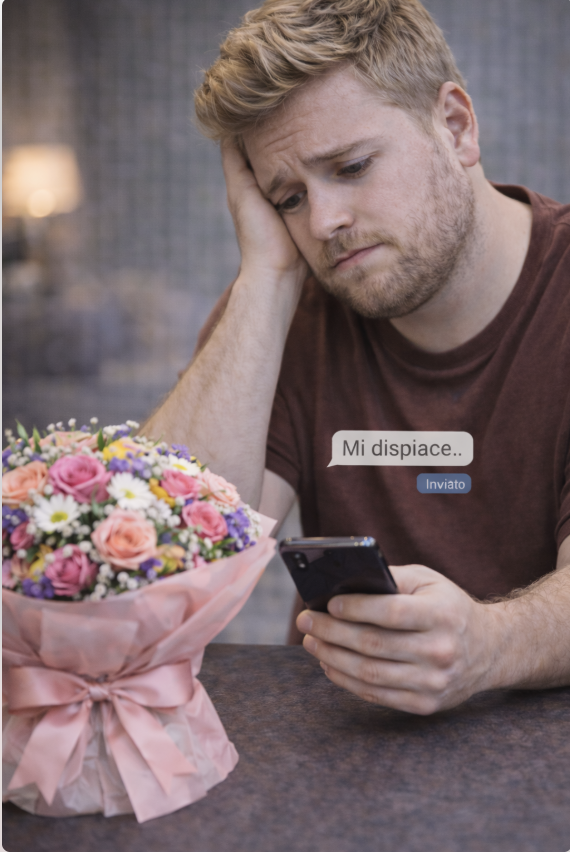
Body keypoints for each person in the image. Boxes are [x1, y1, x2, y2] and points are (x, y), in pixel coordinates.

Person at [144, 0, 570, 714]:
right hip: (338, 742)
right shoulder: (281, 312)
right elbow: (157, 580)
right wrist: (268, 279)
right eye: (288, 197)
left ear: (456, 126)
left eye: (351, 165)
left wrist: (488, 642)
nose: (323, 222)